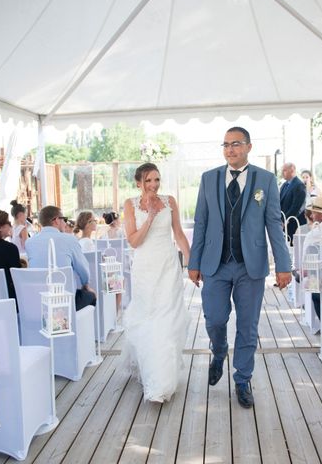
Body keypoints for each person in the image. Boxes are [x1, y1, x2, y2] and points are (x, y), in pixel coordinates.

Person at [188, 126, 291, 409]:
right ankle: (219, 351)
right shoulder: (209, 179)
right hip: (215, 264)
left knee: (247, 326)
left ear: (248, 146)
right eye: (225, 144)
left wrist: (284, 265)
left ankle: (242, 379)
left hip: (251, 266)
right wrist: (193, 262)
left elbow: (274, 224)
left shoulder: (266, 180)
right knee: (215, 319)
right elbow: (201, 223)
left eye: (235, 144)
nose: (230, 149)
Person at [122, 163, 190, 403]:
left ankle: (162, 379)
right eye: (148, 180)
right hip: (145, 269)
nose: (153, 185)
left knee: (167, 319)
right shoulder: (130, 205)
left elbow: (179, 234)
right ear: (139, 183)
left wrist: (191, 263)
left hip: (168, 266)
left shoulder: (170, 201)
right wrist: (149, 217)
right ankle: (148, 367)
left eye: (157, 180)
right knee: (147, 317)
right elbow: (134, 241)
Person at [26, 206, 96, 311]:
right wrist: (85, 284)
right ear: (56, 220)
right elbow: (84, 271)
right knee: (91, 295)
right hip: (65, 303)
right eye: (64, 219)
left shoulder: (30, 243)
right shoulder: (69, 239)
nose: (66, 223)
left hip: (39, 302)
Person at [279, 162, 306, 241]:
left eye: (284, 170)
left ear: (292, 170)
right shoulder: (284, 185)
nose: (282, 173)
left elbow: (296, 207)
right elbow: (280, 203)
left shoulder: (299, 185)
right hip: (284, 223)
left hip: (293, 223)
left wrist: (285, 220)